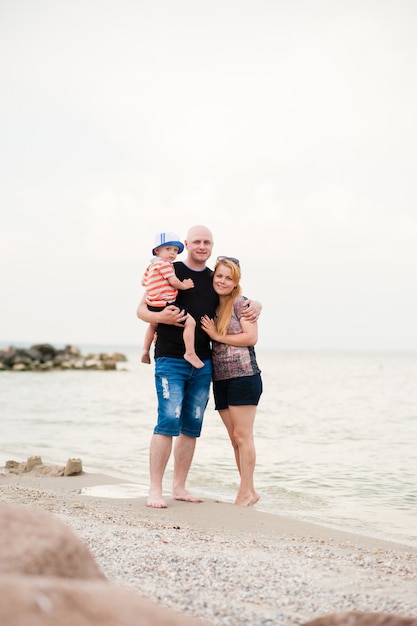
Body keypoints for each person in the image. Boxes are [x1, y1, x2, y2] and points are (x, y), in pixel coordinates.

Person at [136, 225, 262, 508]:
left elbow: (236, 298)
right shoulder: (171, 269)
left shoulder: (213, 279)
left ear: (212, 245)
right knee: (167, 421)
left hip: (204, 364)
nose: (202, 246)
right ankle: (155, 489)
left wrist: (257, 303)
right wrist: (164, 320)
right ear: (186, 244)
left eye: (207, 242)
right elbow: (141, 310)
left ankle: (179, 487)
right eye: (197, 241)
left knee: (191, 427)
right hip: (170, 359)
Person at [201, 256, 262, 506]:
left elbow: (251, 338)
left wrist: (217, 335)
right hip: (222, 379)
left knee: (243, 436)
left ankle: (245, 493)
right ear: (213, 277)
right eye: (219, 276)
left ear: (236, 282)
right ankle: (250, 491)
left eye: (229, 277)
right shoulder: (214, 306)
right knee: (234, 438)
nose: (223, 281)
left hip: (244, 376)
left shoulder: (241, 304)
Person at [141, 231, 204, 369]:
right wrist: (185, 285)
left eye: (175, 250)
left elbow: (143, 282)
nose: (172, 253)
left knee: (153, 325)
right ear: (157, 250)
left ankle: (145, 350)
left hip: (152, 303)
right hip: (165, 303)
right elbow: (174, 281)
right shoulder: (165, 264)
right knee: (191, 322)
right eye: (168, 249)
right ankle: (190, 352)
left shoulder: (151, 266)